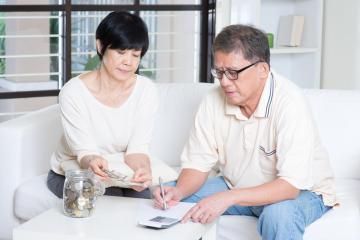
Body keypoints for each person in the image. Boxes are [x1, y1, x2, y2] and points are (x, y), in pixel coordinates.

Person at [153, 24, 336, 240]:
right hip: (236, 185)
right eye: (219, 72)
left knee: (279, 215)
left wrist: (229, 198)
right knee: (168, 199)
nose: (224, 82)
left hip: (302, 192)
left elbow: (290, 187)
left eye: (233, 73)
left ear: (263, 70)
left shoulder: (290, 103)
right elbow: (197, 164)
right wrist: (180, 191)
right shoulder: (213, 100)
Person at [47, 11, 158, 199]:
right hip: (74, 172)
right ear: (100, 46)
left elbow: (137, 150)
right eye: (121, 52)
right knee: (108, 200)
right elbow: (85, 154)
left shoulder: (146, 90)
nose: (128, 62)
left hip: (121, 173)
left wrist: (142, 170)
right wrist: (92, 160)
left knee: (144, 202)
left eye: (135, 55)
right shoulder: (73, 92)